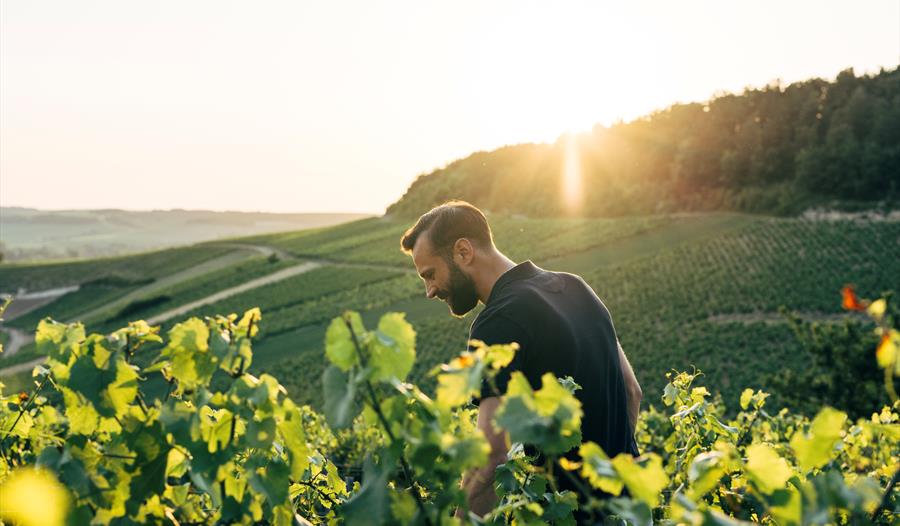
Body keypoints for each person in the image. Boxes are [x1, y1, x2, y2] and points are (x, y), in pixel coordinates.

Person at [400, 200, 642, 519]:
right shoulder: (576, 286)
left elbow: (491, 456)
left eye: (430, 274)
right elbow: (631, 392)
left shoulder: (497, 322)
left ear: (463, 251)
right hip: (628, 510)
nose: (430, 290)